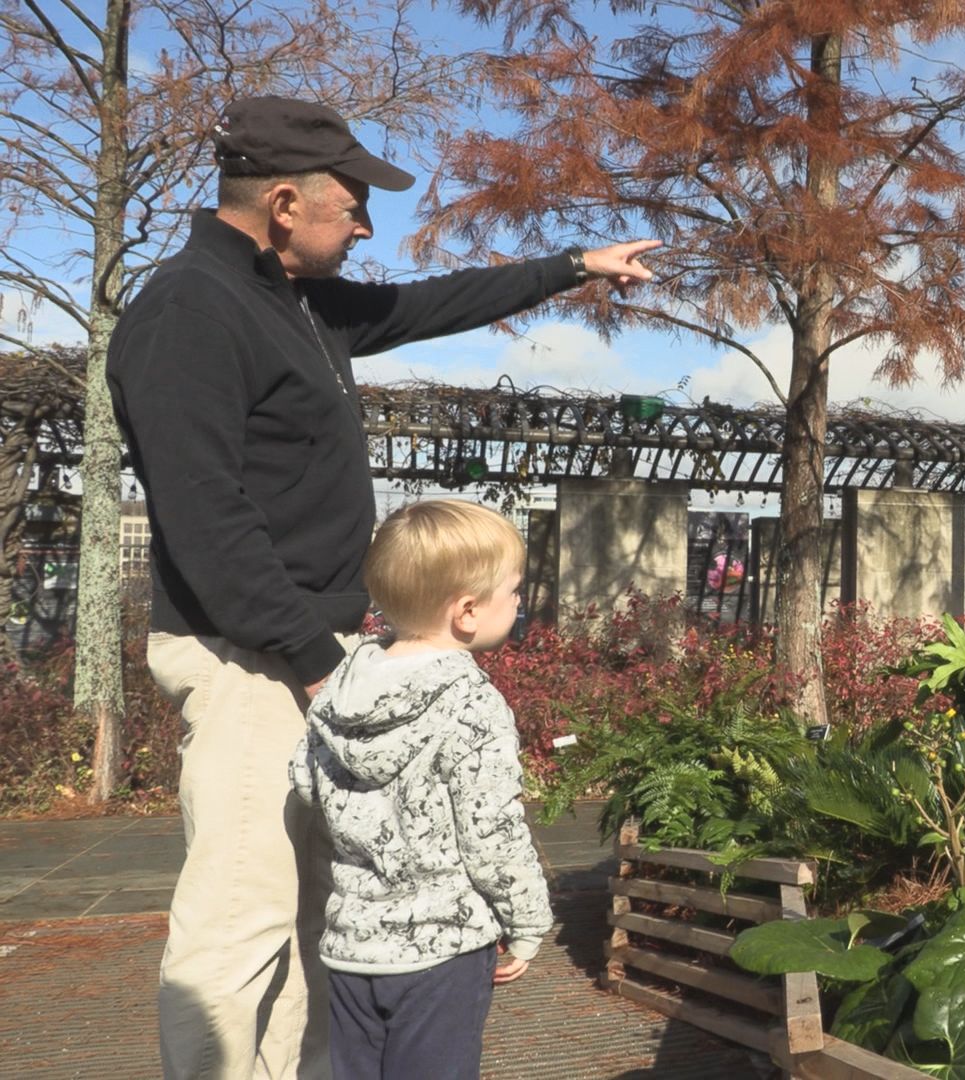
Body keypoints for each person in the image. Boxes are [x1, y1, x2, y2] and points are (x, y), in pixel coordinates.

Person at [106, 95, 658, 1079]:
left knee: (320, 921)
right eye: (353, 204)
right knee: (240, 926)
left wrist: (570, 268)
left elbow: (426, 304)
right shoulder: (192, 309)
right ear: (284, 202)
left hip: (309, 656)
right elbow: (204, 521)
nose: (366, 226)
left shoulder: (300, 302)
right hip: (252, 663)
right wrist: (319, 665)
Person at [289, 499, 548, 1080]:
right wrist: (527, 923)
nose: (519, 602)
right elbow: (492, 831)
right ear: (467, 612)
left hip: (353, 946)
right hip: (443, 950)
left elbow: (305, 782)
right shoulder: (472, 704)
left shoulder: (340, 690)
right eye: (514, 592)